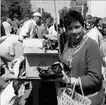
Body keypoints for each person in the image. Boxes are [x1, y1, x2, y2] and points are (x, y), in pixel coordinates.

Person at [59, 9, 104, 105]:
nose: (74, 31)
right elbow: (66, 62)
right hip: (72, 96)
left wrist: (71, 81)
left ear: (83, 26)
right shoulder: (68, 43)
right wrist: (59, 67)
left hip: (88, 98)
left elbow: (95, 77)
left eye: (77, 27)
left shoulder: (91, 45)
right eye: (70, 28)